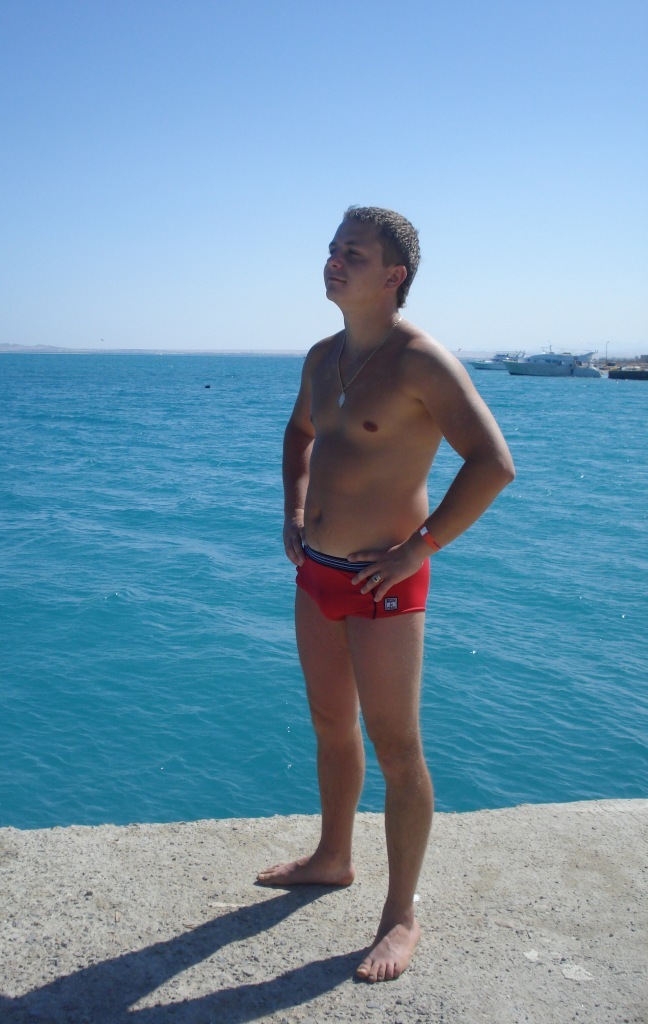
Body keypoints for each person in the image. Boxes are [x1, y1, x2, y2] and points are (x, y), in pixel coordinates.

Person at [257, 206, 515, 982]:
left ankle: (401, 915)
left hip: (384, 586)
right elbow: (300, 434)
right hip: (317, 573)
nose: (334, 261)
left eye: (354, 254)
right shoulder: (322, 357)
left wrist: (418, 549)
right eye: (332, 249)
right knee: (330, 725)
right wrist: (294, 509)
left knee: (398, 749)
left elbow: (493, 464)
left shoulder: (421, 362)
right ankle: (333, 857)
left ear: (393, 275)